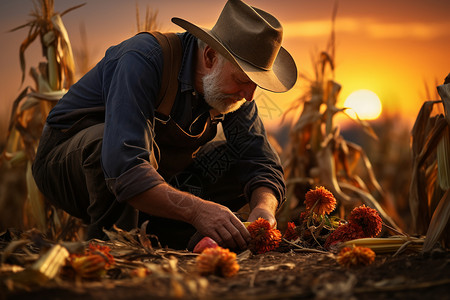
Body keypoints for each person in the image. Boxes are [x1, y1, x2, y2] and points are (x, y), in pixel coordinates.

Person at [32, 0, 297, 250]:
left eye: (255, 84)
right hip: (68, 166)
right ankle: (115, 246)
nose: (250, 95)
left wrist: (264, 209)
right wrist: (197, 210)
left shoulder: (234, 91)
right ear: (210, 56)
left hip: (157, 175)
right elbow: (126, 167)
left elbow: (259, 159)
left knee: (234, 160)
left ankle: (171, 237)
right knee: (111, 144)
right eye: (243, 80)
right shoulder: (143, 60)